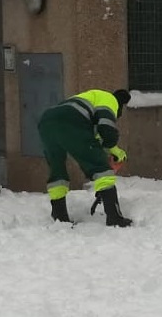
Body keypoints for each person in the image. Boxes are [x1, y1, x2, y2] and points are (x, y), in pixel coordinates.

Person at [38, 88, 132, 226]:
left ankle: (59, 217)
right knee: (101, 169)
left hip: (46, 122)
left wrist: (114, 150)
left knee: (57, 170)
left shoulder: (86, 98)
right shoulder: (110, 99)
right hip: (70, 121)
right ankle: (114, 217)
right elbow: (107, 129)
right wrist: (108, 152)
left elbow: (88, 138)